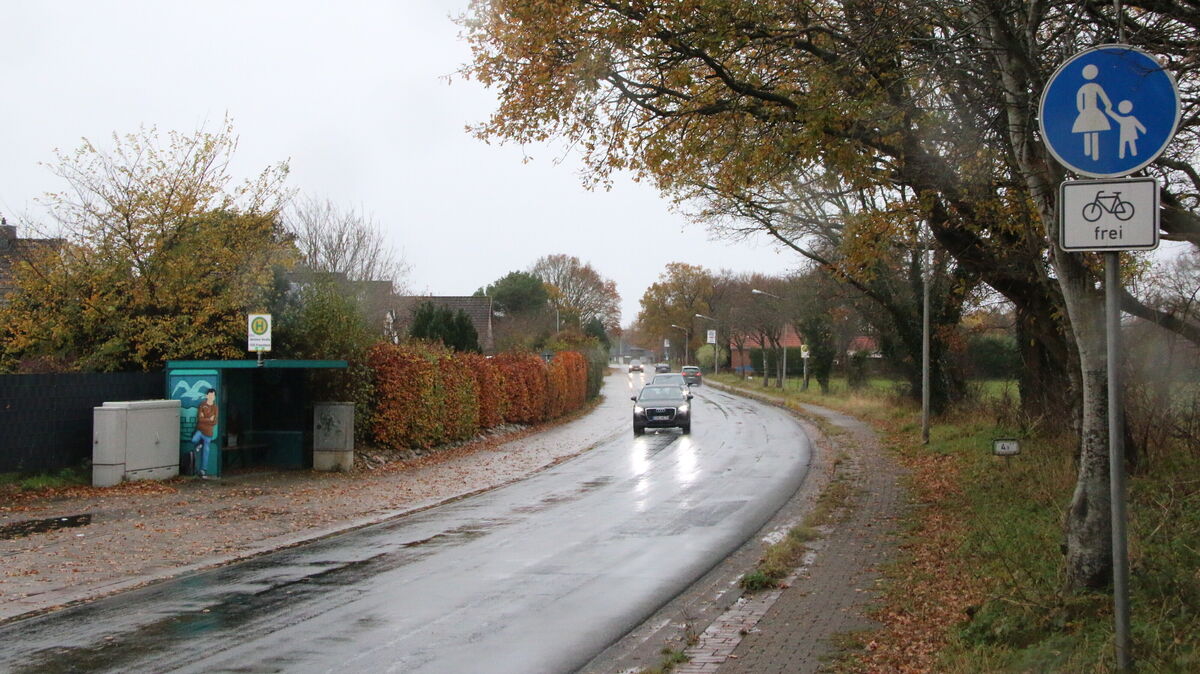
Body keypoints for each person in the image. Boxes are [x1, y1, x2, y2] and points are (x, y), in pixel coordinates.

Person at [1072, 64, 1113, 161]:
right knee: (1091, 129)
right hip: (1092, 111)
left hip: (1088, 112)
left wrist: (1082, 111)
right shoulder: (1094, 87)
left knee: (1090, 129)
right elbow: (1105, 99)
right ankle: (1090, 154)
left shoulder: (1086, 88)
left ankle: (1091, 154)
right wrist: (1108, 106)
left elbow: (1079, 102)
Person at [191, 388, 218, 477]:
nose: (211, 397)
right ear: (207, 396)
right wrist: (208, 419)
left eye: (213, 395)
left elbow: (214, 421)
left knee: (206, 452)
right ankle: (200, 444)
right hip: (200, 430)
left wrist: (205, 419)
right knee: (194, 440)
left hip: (209, 433)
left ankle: (203, 470)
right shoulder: (202, 405)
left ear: (214, 397)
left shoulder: (215, 407)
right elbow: (200, 419)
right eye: (209, 395)